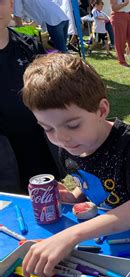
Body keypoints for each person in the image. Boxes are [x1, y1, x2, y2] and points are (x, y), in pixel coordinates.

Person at [20, 53, 130, 277]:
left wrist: (73, 235)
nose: (61, 138)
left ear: (101, 110)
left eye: (73, 124)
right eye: (47, 128)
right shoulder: (71, 144)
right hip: (106, 237)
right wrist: (75, 195)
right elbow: (88, 178)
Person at [0, 0, 64, 193]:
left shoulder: (29, 46)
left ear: (11, 5)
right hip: (4, 160)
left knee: (48, 208)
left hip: (38, 147)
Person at [110, 0, 130, 66]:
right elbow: (114, 8)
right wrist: (124, 4)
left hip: (128, 16)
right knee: (120, 41)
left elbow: (129, 6)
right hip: (118, 16)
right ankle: (122, 61)